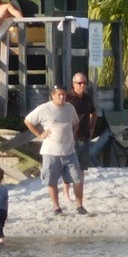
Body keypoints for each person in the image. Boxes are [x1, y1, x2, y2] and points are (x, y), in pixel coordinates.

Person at [24, 85, 85, 215]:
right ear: (52, 95)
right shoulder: (44, 108)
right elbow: (28, 121)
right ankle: (56, 207)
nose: (62, 97)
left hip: (69, 151)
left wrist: (71, 134)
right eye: (59, 95)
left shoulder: (70, 107)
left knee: (77, 179)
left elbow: (76, 122)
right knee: (51, 181)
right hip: (50, 152)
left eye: (64, 94)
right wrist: (40, 134)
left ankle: (79, 206)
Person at [65, 72, 97, 170]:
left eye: (84, 83)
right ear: (74, 84)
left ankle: (80, 186)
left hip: (85, 136)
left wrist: (92, 128)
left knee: (82, 168)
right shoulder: (67, 98)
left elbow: (94, 112)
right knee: (70, 167)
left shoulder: (87, 98)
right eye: (80, 83)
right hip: (71, 138)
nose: (82, 85)